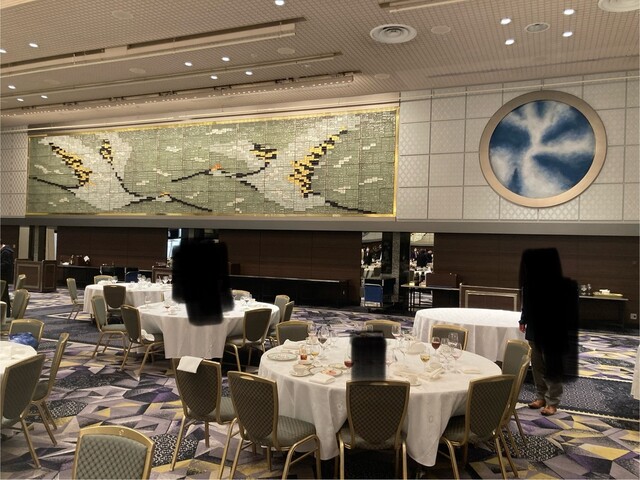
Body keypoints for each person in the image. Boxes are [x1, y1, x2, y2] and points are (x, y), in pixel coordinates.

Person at [518, 248, 578, 416]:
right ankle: (540, 397)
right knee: (537, 366)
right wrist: (523, 320)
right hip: (534, 330)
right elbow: (526, 305)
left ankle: (552, 401)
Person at [1, 242, 15, 316]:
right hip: (4, 278)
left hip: (3, 277)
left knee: (4, 297)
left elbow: (5, 265)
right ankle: (6, 314)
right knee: (4, 296)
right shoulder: (5, 251)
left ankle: (5, 314)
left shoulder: (6, 252)